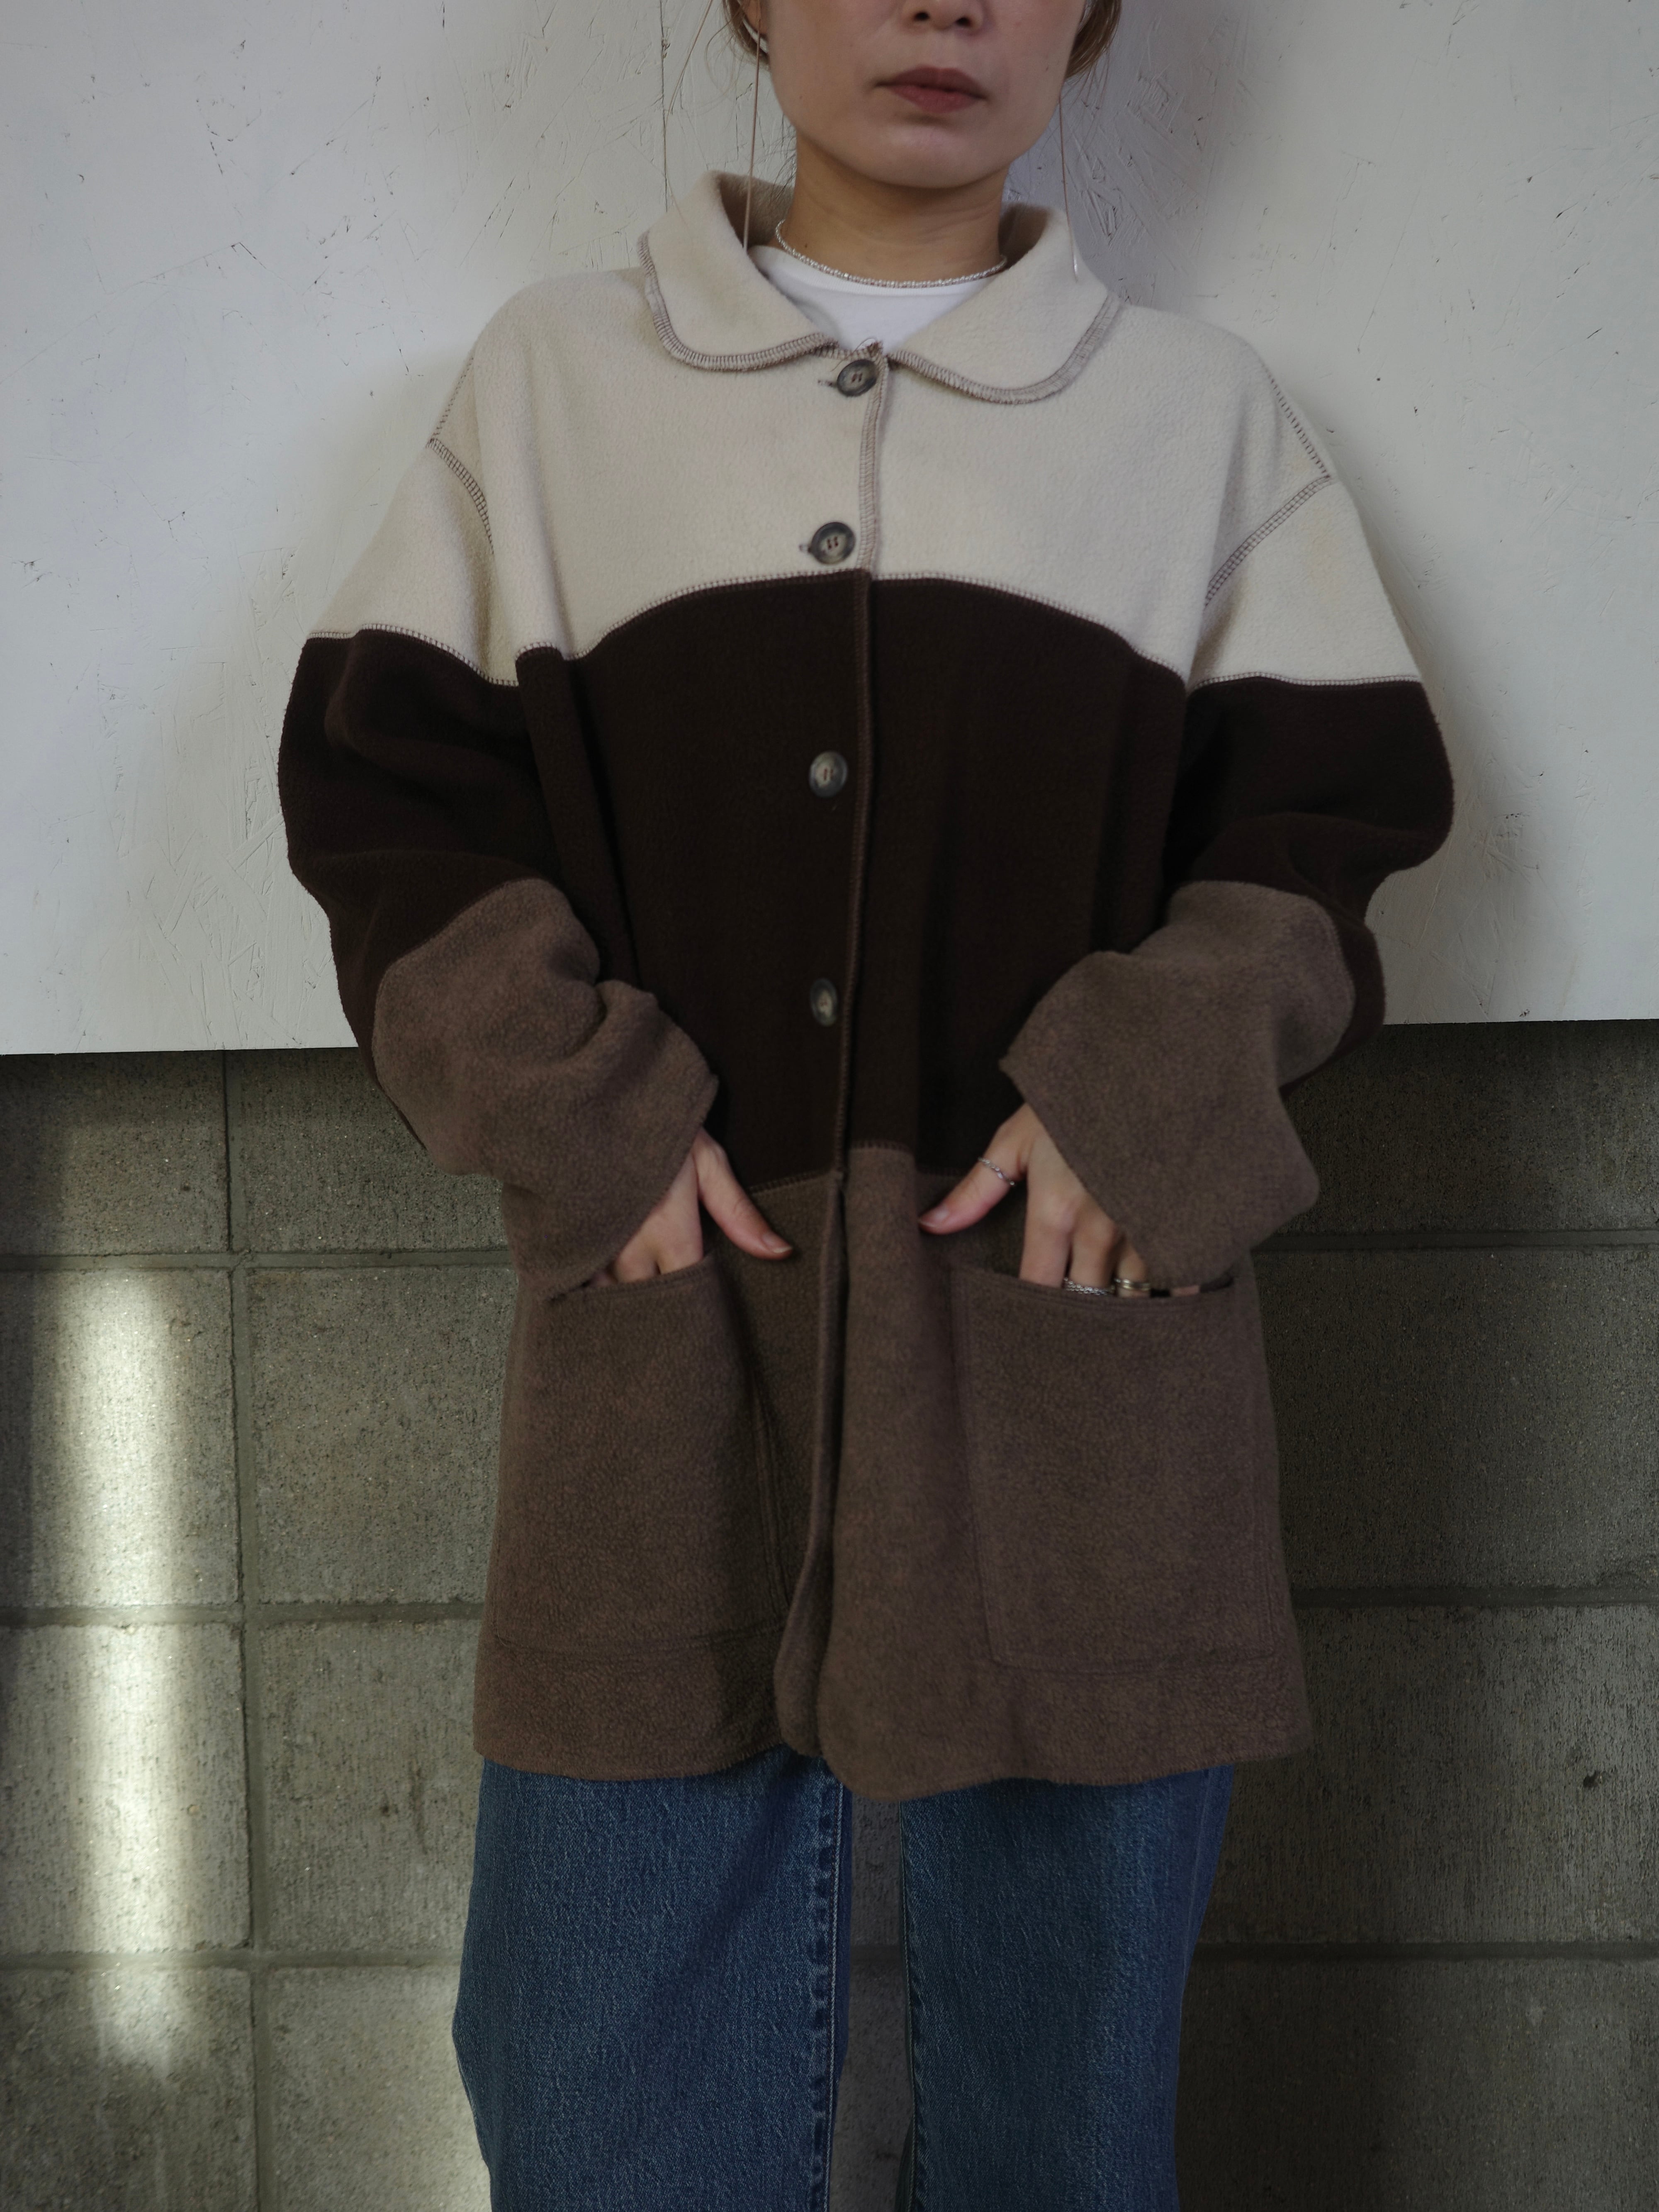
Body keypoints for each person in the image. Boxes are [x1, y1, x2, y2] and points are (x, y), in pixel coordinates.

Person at [277, 0, 1453, 2203]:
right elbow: (386, 802)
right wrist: (581, 1114)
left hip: (1081, 1362)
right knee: (601, 2109)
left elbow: (1329, 832)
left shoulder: (1196, 419)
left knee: (1064, 2142)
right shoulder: (558, 385)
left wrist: (1145, 1093)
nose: (945, 4)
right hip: (666, 1371)